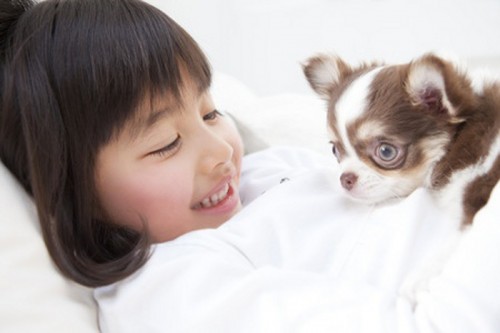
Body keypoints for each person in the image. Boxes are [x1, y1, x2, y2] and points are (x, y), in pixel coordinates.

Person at [1, 0, 499, 332]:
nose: (220, 150)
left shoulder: (265, 173)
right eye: (166, 143)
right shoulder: (171, 291)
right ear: (73, 193)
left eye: (210, 112)